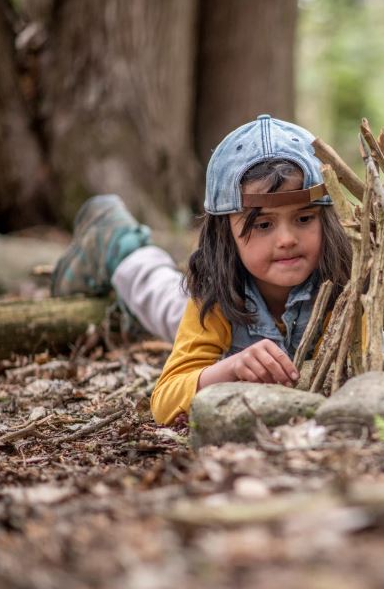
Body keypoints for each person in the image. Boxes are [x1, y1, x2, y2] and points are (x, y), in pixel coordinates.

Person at [51, 115, 353, 425]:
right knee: (161, 296)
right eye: (263, 224)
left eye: (304, 219)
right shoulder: (212, 298)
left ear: (326, 220)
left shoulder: (351, 291)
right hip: (223, 302)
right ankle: (116, 240)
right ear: (225, 236)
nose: (287, 239)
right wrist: (229, 370)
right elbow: (164, 400)